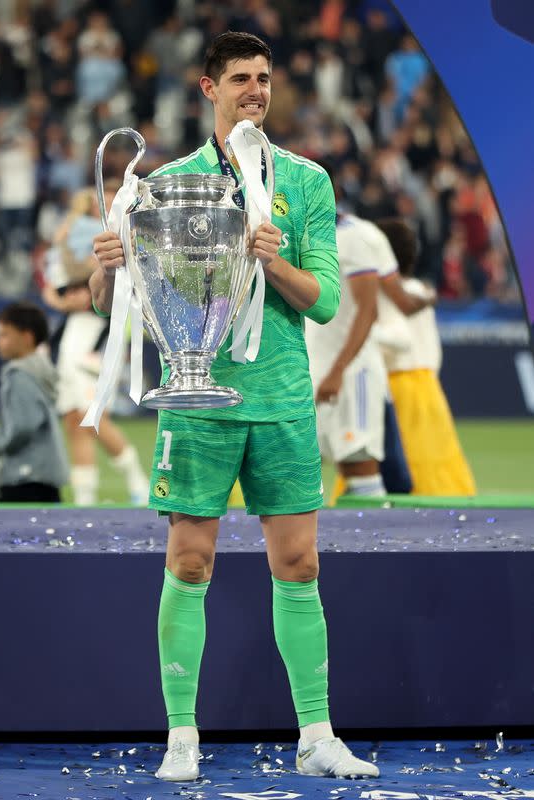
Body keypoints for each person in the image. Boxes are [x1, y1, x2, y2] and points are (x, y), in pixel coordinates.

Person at [90, 31, 379, 783]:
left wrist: (270, 257)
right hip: (197, 400)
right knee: (189, 561)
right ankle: (181, 736)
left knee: (300, 563)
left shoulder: (307, 182)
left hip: (281, 397)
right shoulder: (165, 184)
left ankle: (315, 735)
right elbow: (120, 306)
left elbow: (323, 303)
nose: (256, 89)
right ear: (207, 88)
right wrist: (105, 270)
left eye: (265, 78)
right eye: (241, 78)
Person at [42, 184, 150, 506]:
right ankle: (85, 497)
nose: (103, 205)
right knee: (73, 419)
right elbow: (56, 282)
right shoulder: (78, 234)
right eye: (98, 200)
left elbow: (112, 289)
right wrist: (61, 299)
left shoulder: (128, 236)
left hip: (101, 333)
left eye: (110, 199)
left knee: (91, 415)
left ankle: (138, 482)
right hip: (75, 331)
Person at [375, 218, 476, 495]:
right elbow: (433, 350)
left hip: (397, 386)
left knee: (395, 464)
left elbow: (398, 341)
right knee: (437, 467)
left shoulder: (382, 293)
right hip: (429, 388)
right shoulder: (421, 292)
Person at [305, 201, 398, 498]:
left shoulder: (354, 236)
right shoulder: (294, 233)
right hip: (311, 369)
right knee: (301, 464)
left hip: (351, 371)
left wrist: (337, 371)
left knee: (358, 465)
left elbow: (368, 311)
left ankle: (376, 542)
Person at [0, 301, 69, 503]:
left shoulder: (18, 374)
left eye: (4, 335)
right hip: (46, 475)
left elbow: (22, 426)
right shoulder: (43, 369)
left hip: (24, 478)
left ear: (27, 337)